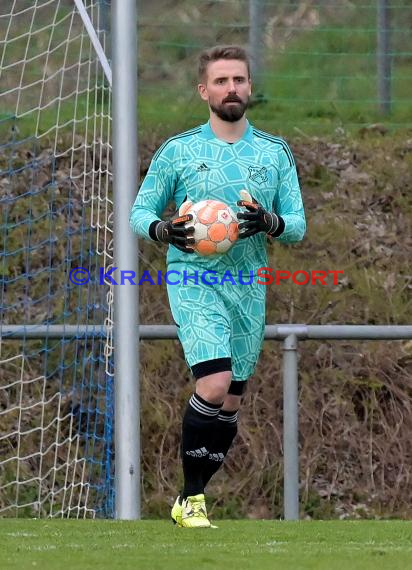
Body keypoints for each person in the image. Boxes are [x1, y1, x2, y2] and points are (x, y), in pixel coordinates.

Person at [129, 45, 306, 528]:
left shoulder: (274, 153)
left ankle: (193, 496)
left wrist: (269, 220)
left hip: (248, 283)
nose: (232, 88)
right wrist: (164, 230)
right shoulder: (179, 150)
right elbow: (139, 212)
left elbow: (297, 226)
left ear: (250, 88)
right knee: (213, 382)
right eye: (222, 80)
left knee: (231, 400)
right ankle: (191, 500)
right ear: (203, 90)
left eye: (240, 80)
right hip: (193, 278)